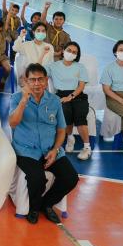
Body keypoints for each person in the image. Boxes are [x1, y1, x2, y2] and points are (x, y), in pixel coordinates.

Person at [9, 63, 79, 224]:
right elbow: (13, 123)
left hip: (50, 150)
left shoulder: (54, 101)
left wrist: (55, 149)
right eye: (32, 80)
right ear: (26, 81)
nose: (36, 83)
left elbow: (61, 130)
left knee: (71, 178)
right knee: (37, 179)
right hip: (27, 150)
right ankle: (34, 208)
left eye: (40, 79)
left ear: (46, 80)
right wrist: (23, 101)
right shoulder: (16, 98)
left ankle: (47, 204)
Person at [47, 41, 91, 160]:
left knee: (80, 116)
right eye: (69, 50)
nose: (71, 53)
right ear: (63, 51)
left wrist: (70, 97)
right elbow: (40, 72)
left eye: (74, 52)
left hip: (77, 95)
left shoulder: (80, 67)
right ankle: (70, 137)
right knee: (66, 114)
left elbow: (81, 86)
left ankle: (87, 147)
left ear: (77, 55)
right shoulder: (53, 66)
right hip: (60, 95)